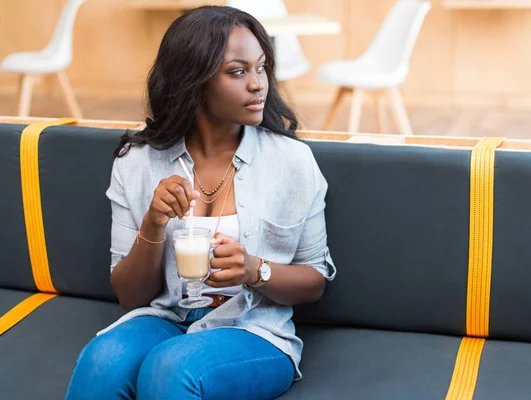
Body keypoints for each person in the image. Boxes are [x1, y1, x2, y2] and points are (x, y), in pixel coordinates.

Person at [65, 5, 336, 400]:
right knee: (102, 360)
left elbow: (314, 281)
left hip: (252, 329)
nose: (258, 84)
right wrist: (153, 224)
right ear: (194, 79)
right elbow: (130, 296)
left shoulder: (292, 162)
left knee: (172, 367)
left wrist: (254, 270)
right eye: (238, 71)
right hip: (165, 317)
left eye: (261, 67)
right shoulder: (138, 163)